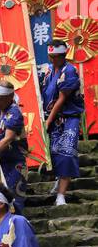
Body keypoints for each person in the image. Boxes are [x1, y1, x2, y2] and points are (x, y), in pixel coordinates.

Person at [42, 40, 84, 205]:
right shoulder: (48, 71)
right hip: (51, 117)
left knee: (66, 153)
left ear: (63, 55)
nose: (52, 59)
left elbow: (62, 98)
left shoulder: (70, 71)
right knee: (53, 154)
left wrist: (49, 121)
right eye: (50, 56)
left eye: (55, 57)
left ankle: (61, 195)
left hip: (68, 118)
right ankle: (59, 181)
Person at [0, 81, 28, 212]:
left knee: (13, 198)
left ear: (10, 97)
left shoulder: (14, 112)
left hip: (14, 162)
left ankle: (16, 229)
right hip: (0, 161)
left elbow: (8, 138)